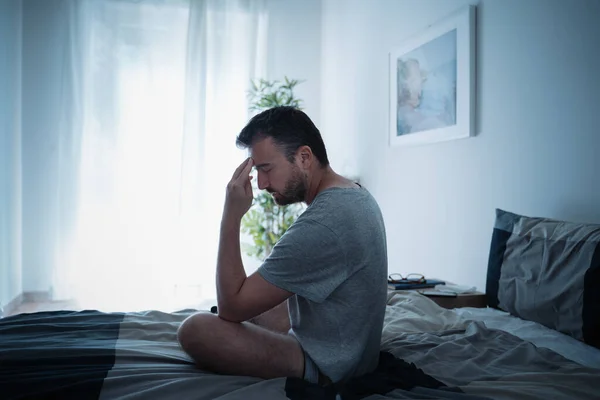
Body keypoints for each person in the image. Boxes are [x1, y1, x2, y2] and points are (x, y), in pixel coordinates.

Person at [177, 106, 388, 385]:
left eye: (266, 169)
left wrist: (231, 215)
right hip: (347, 345)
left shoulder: (325, 222)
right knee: (263, 301)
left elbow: (231, 308)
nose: (261, 184)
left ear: (303, 157)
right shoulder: (352, 194)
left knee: (196, 329)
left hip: (331, 364)